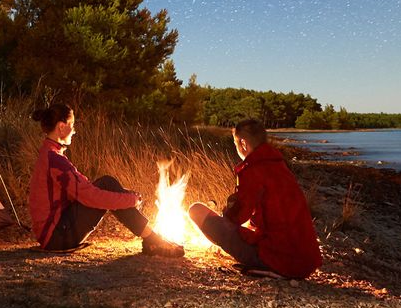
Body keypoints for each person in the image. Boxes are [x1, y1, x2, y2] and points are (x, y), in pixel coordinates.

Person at [29, 103, 184, 257]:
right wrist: (131, 200)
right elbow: (91, 196)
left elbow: (83, 189)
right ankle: (153, 240)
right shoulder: (55, 160)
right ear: (62, 127)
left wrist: (124, 196)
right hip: (57, 237)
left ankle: (152, 239)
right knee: (107, 184)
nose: (74, 131)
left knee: (106, 184)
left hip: (53, 234)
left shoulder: (49, 154)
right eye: (72, 125)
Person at [188, 118, 322, 279]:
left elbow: (237, 218)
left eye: (236, 144)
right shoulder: (280, 165)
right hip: (306, 263)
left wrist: (226, 212)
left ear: (243, 143)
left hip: (278, 260)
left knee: (196, 210)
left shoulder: (252, 170)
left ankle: (270, 269)